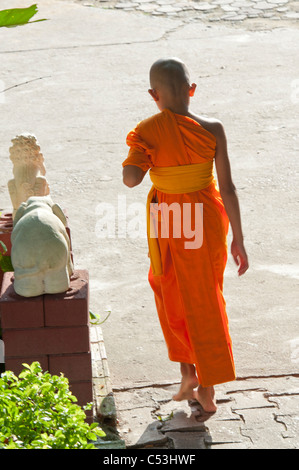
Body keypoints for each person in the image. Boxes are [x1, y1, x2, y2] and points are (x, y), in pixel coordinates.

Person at [122, 58, 249, 413]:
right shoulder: (213, 128)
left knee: (171, 291)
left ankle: (187, 371)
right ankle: (206, 388)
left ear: (153, 95)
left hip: (169, 217)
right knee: (205, 297)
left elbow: (131, 179)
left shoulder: (147, 129)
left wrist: (143, 152)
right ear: (191, 90)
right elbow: (228, 187)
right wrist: (238, 239)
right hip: (207, 218)